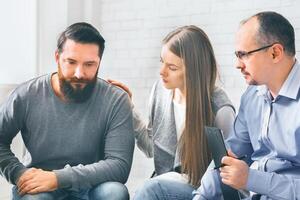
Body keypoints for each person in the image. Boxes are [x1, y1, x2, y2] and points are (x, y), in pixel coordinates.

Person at [0, 22, 134, 200]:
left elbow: (119, 165)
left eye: (89, 64)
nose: (79, 73)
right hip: (39, 186)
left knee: (114, 193)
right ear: (57, 57)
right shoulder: (26, 95)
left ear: (99, 62)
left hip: (91, 186)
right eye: (71, 62)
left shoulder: (116, 100)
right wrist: (18, 174)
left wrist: (58, 178)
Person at [109, 25, 235, 199]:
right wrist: (129, 108)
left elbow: (227, 174)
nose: (162, 72)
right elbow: (151, 148)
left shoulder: (220, 109)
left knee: (151, 189)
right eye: (162, 62)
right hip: (166, 185)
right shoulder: (160, 92)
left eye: (172, 68)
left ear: (194, 71)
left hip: (206, 192)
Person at [193, 11, 300, 200]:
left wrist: (251, 179)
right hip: (249, 195)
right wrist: (201, 196)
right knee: (156, 190)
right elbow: (229, 157)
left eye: (244, 55)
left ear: (275, 53)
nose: (237, 64)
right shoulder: (252, 96)